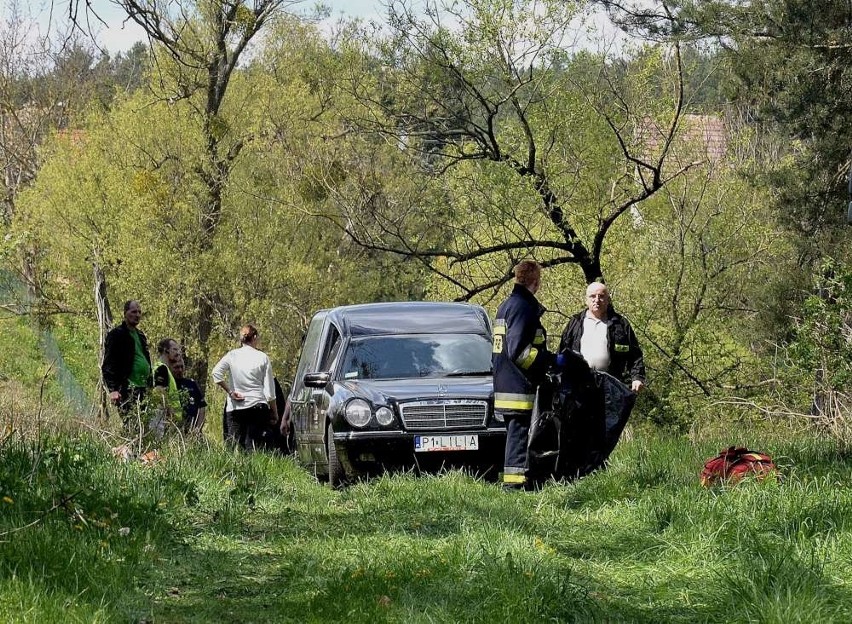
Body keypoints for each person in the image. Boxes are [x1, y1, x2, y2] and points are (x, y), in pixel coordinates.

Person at [493, 260, 559, 490]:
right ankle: (515, 486)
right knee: (519, 435)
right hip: (519, 387)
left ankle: (516, 483)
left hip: (505, 383)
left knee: (515, 434)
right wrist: (547, 361)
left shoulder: (506, 305)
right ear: (536, 282)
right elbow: (519, 352)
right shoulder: (523, 307)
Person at [559, 282, 645, 393]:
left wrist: (637, 378)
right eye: (592, 296)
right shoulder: (575, 322)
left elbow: (635, 355)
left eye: (601, 296)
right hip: (578, 387)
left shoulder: (620, 324)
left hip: (611, 387)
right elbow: (562, 353)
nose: (597, 300)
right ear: (586, 300)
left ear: (608, 300)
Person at [211, 324, 278, 451]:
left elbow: (216, 373)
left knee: (235, 447)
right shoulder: (262, 357)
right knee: (255, 447)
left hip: (236, 408)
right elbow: (269, 392)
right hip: (257, 406)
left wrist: (230, 392)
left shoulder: (232, 355)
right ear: (255, 337)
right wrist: (274, 412)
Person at [102, 300, 152, 424]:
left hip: (143, 389)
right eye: (133, 311)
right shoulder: (117, 335)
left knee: (143, 425)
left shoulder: (141, 336)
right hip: (127, 389)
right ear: (125, 313)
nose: (137, 315)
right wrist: (113, 389)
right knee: (131, 424)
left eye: (139, 312)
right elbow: (108, 364)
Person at [150, 338, 184, 437]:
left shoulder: (163, 368)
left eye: (178, 350)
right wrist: (170, 414)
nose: (178, 353)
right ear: (166, 350)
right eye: (175, 349)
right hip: (161, 417)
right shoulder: (161, 368)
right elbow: (159, 392)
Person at [170, 357, 207, 435]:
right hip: (174, 429)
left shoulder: (191, 383)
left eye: (181, 367)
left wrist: (197, 428)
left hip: (192, 429)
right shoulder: (168, 385)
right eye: (176, 367)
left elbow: (202, 408)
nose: (180, 370)